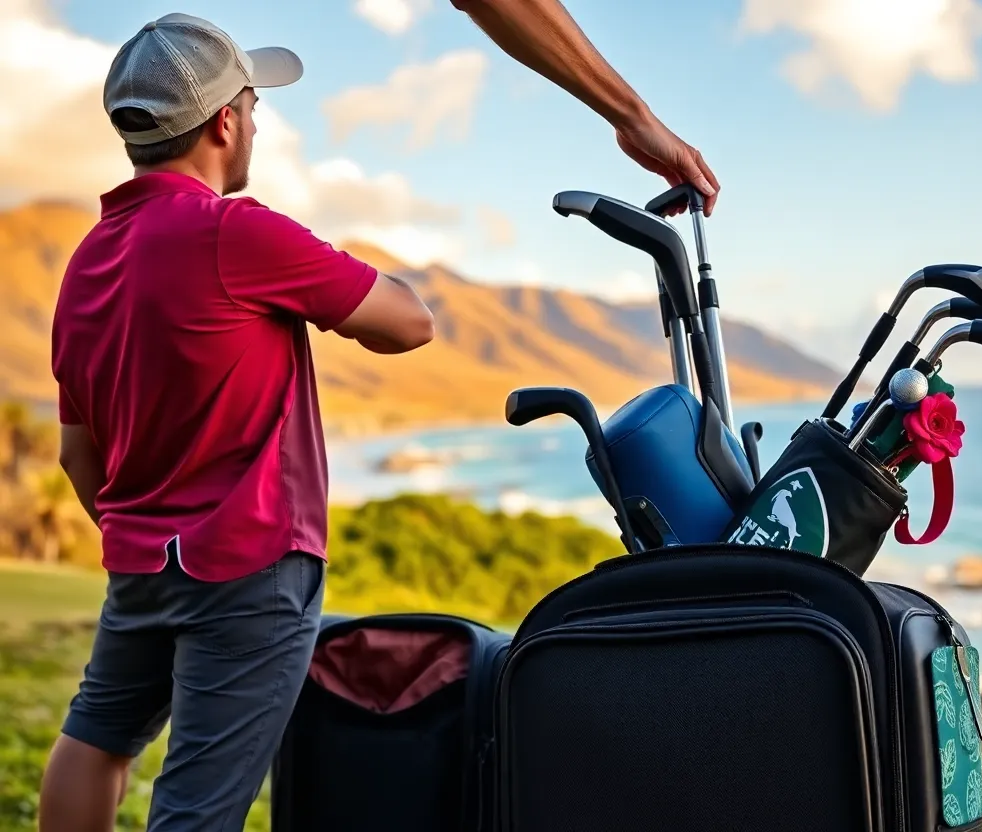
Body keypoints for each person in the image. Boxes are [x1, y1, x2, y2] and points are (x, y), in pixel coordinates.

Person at [40, 4, 719, 831]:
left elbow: (81, 456)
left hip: (139, 565)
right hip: (250, 572)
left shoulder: (87, 260)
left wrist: (141, 539)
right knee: (199, 805)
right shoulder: (234, 232)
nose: (256, 121)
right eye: (253, 106)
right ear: (223, 122)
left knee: (95, 741)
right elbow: (408, 323)